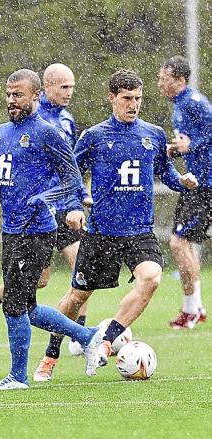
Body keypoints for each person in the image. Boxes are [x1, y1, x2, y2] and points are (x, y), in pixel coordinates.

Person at [32, 69, 199, 381]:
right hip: (102, 233)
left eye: (137, 98)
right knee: (76, 298)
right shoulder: (94, 137)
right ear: (112, 98)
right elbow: (71, 176)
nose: (133, 104)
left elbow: (166, 173)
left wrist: (182, 181)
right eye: (127, 98)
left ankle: (105, 342)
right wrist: (72, 207)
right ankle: (50, 355)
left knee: (151, 278)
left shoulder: (153, 134)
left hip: (139, 232)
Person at [0, 69, 104, 391]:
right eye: (8, 95)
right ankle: (88, 335)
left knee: (14, 303)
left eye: (18, 95)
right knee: (26, 306)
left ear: (35, 96)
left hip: (38, 230)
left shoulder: (47, 132)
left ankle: (17, 376)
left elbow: (71, 179)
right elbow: (1, 182)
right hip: (11, 230)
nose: (12, 101)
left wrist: (47, 198)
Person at [157, 55, 212, 329]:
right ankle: (195, 308)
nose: (160, 84)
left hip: (206, 183)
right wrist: (176, 148)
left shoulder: (194, 102)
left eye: (163, 79)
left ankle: (192, 309)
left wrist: (192, 145)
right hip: (195, 182)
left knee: (178, 243)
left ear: (179, 80)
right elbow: (191, 142)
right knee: (182, 243)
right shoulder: (180, 104)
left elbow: (205, 136)